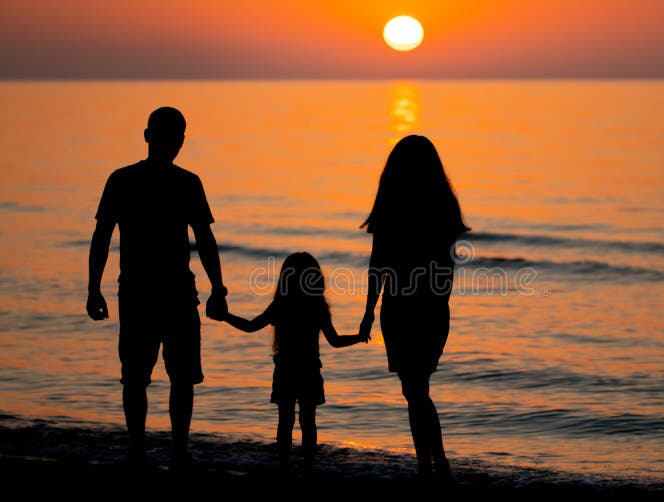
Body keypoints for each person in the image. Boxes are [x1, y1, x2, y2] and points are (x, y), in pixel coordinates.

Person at [86, 107, 228, 467]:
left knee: (151, 378)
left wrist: (218, 288)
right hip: (154, 291)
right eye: (170, 136)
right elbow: (102, 236)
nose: (173, 143)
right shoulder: (138, 180)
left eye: (177, 137)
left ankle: (156, 450)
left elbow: (204, 239)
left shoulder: (163, 181)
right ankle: (162, 450)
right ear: (149, 137)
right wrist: (218, 288)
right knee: (157, 377)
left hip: (156, 291)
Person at [359, 135, 469, 481]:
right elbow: (445, 271)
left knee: (415, 390)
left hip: (404, 309)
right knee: (416, 390)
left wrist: (368, 313)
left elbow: (378, 266)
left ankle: (435, 465)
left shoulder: (393, 207)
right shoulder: (443, 206)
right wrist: (437, 303)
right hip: (431, 310)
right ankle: (432, 465)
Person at [223, 252, 367, 472]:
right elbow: (335, 341)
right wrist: (358, 337)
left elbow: (250, 326)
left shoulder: (281, 305)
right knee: (308, 422)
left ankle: (284, 466)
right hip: (308, 370)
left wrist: (226, 316)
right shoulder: (316, 306)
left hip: (286, 370)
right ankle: (308, 467)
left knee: (285, 421)